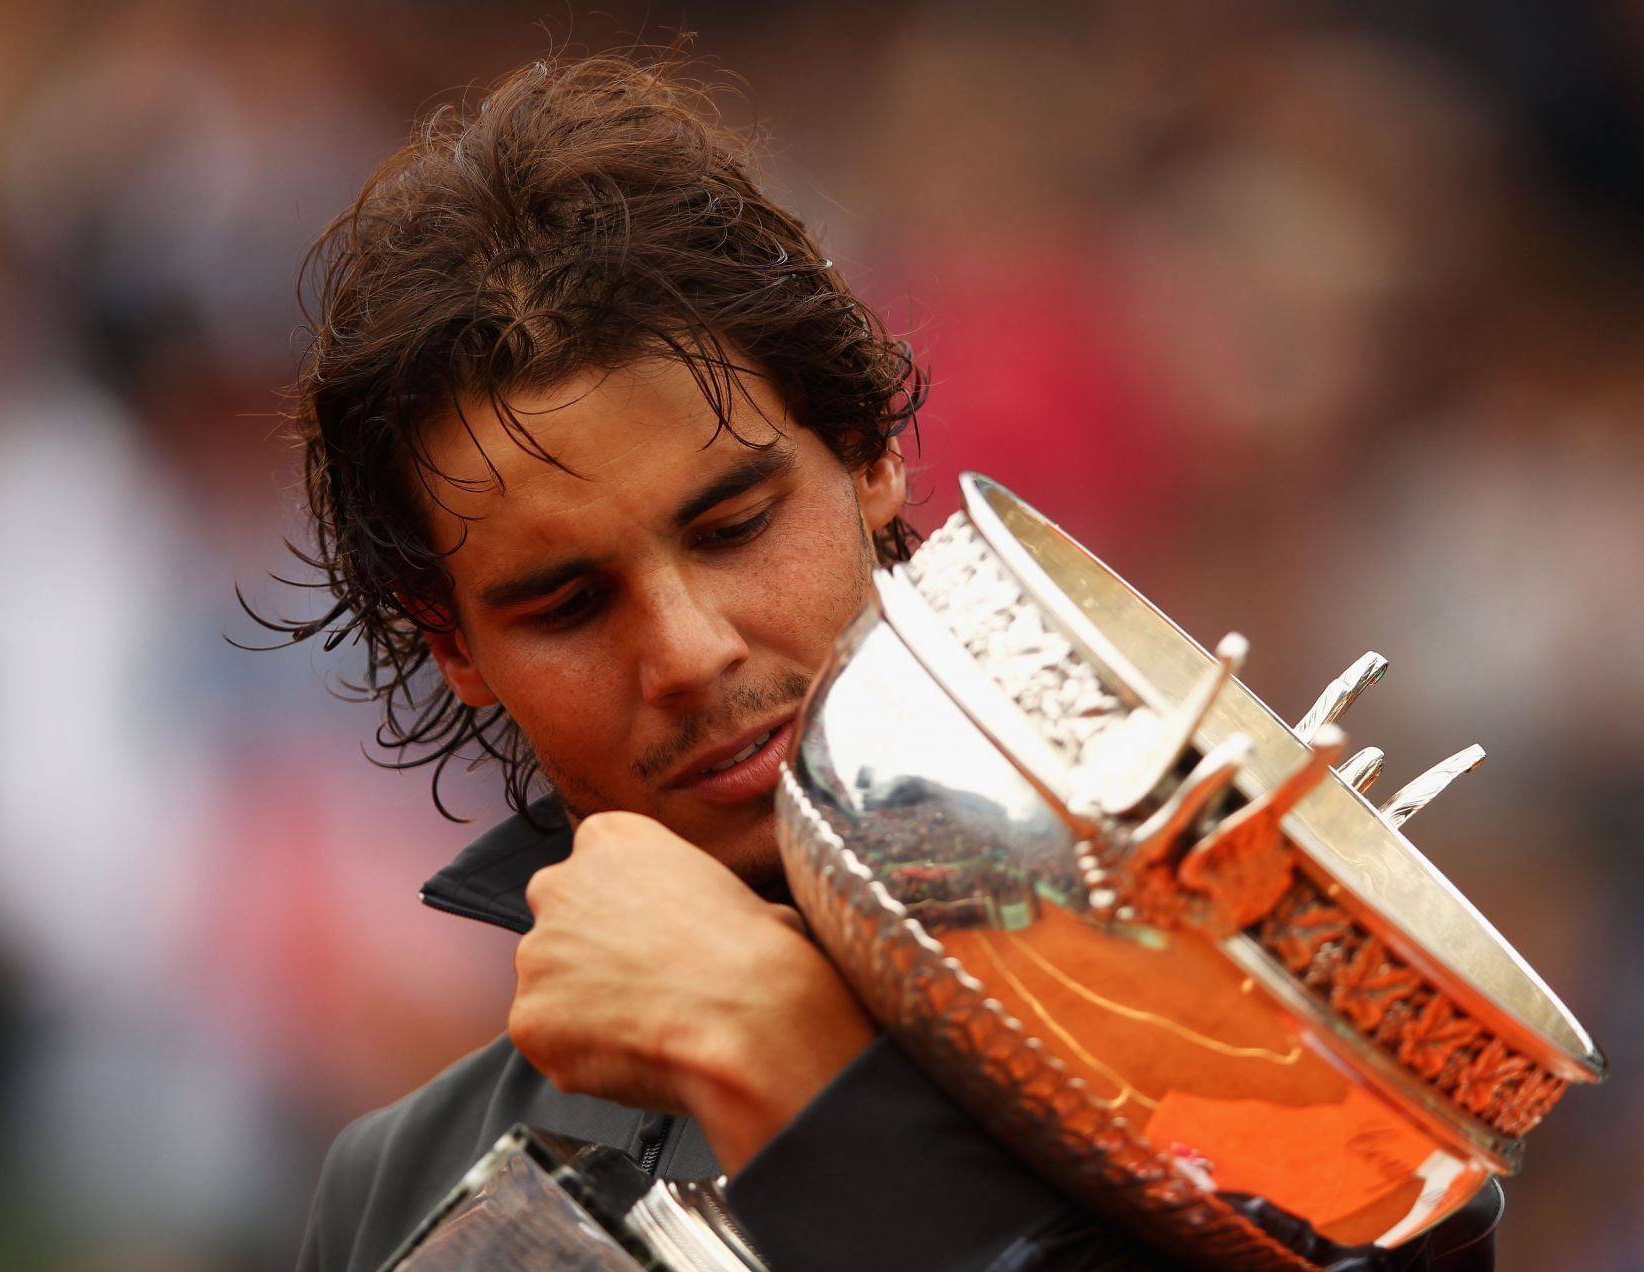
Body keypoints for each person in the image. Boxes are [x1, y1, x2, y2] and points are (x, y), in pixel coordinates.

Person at [276, 53, 1500, 1271]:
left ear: (871, 457)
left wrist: (781, 1056)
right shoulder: (402, 1186)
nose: (689, 654)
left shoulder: (1277, 1063)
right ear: (457, 647)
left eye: (735, 528)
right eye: (566, 603)